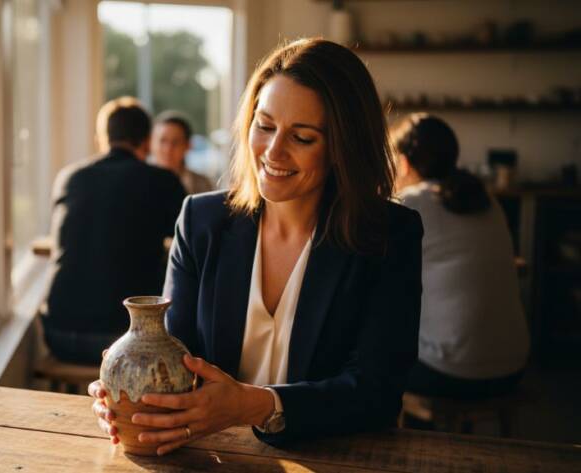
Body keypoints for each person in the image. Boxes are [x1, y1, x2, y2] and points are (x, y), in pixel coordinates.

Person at [89, 38, 424, 454]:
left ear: (343, 148)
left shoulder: (391, 234)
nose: (273, 151)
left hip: (335, 457)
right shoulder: (201, 221)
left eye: (302, 138)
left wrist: (256, 405)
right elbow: (177, 361)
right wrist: (134, 396)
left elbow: (377, 393)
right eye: (264, 126)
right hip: (218, 455)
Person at [391, 113, 529, 400]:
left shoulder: (410, 204)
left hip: (447, 374)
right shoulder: (486, 198)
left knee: (371, 345)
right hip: (513, 366)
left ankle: (413, 437)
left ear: (403, 163)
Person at [43, 97, 187, 365]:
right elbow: (189, 244)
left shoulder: (69, 178)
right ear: (146, 141)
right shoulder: (162, 181)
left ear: (101, 138)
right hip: (126, 339)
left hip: (59, 333)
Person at [150, 111, 214, 194]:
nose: (168, 149)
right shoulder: (140, 181)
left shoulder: (203, 184)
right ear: (151, 143)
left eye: (175, 142)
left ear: (188, 145)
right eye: (162, 141)